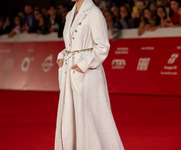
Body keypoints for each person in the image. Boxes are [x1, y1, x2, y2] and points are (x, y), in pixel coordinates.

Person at [55, 0, 125, 150]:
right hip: (70, 72)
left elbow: (102, 47)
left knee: (91, 117)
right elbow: (71, 46)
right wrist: (62, 55)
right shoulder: (69, 15)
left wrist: (82, 65)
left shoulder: (94, 13)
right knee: (70, 118)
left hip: (87, 74)